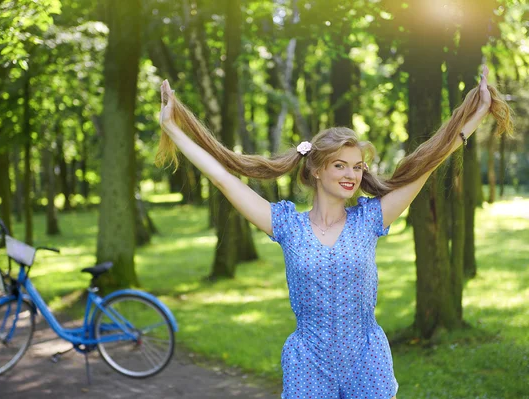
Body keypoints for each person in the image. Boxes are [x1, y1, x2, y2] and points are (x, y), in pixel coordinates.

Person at [156, 66, 511, 399]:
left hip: (366, 359)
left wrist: (476, 114)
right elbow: (222, 178)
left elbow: (427, 166)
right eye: (339, 165)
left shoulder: (370, 218)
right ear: (315, 171)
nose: (351, 175)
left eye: (357, 167)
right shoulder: (286, 225)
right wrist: (173, 128)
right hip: (308, 363)